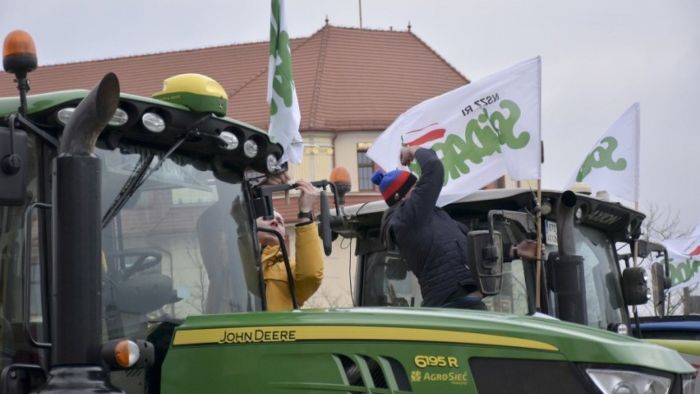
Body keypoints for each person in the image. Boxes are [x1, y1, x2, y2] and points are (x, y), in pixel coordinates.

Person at [373, 146, 538, 309]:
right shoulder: (407, 217)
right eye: (415, 188)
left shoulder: (436, 218)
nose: (420, 191)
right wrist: (413, 151)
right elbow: (433, 167)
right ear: (401, 198)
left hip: (466, 304)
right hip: (452, 307)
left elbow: (475, 248)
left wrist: (515, 251)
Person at [255, 179, 324, 311]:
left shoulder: (288, 269)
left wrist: (305, 213)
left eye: (280, 221)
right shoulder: (235, 263)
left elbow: (311, 275)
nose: (276, 221)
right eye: (267, 217)